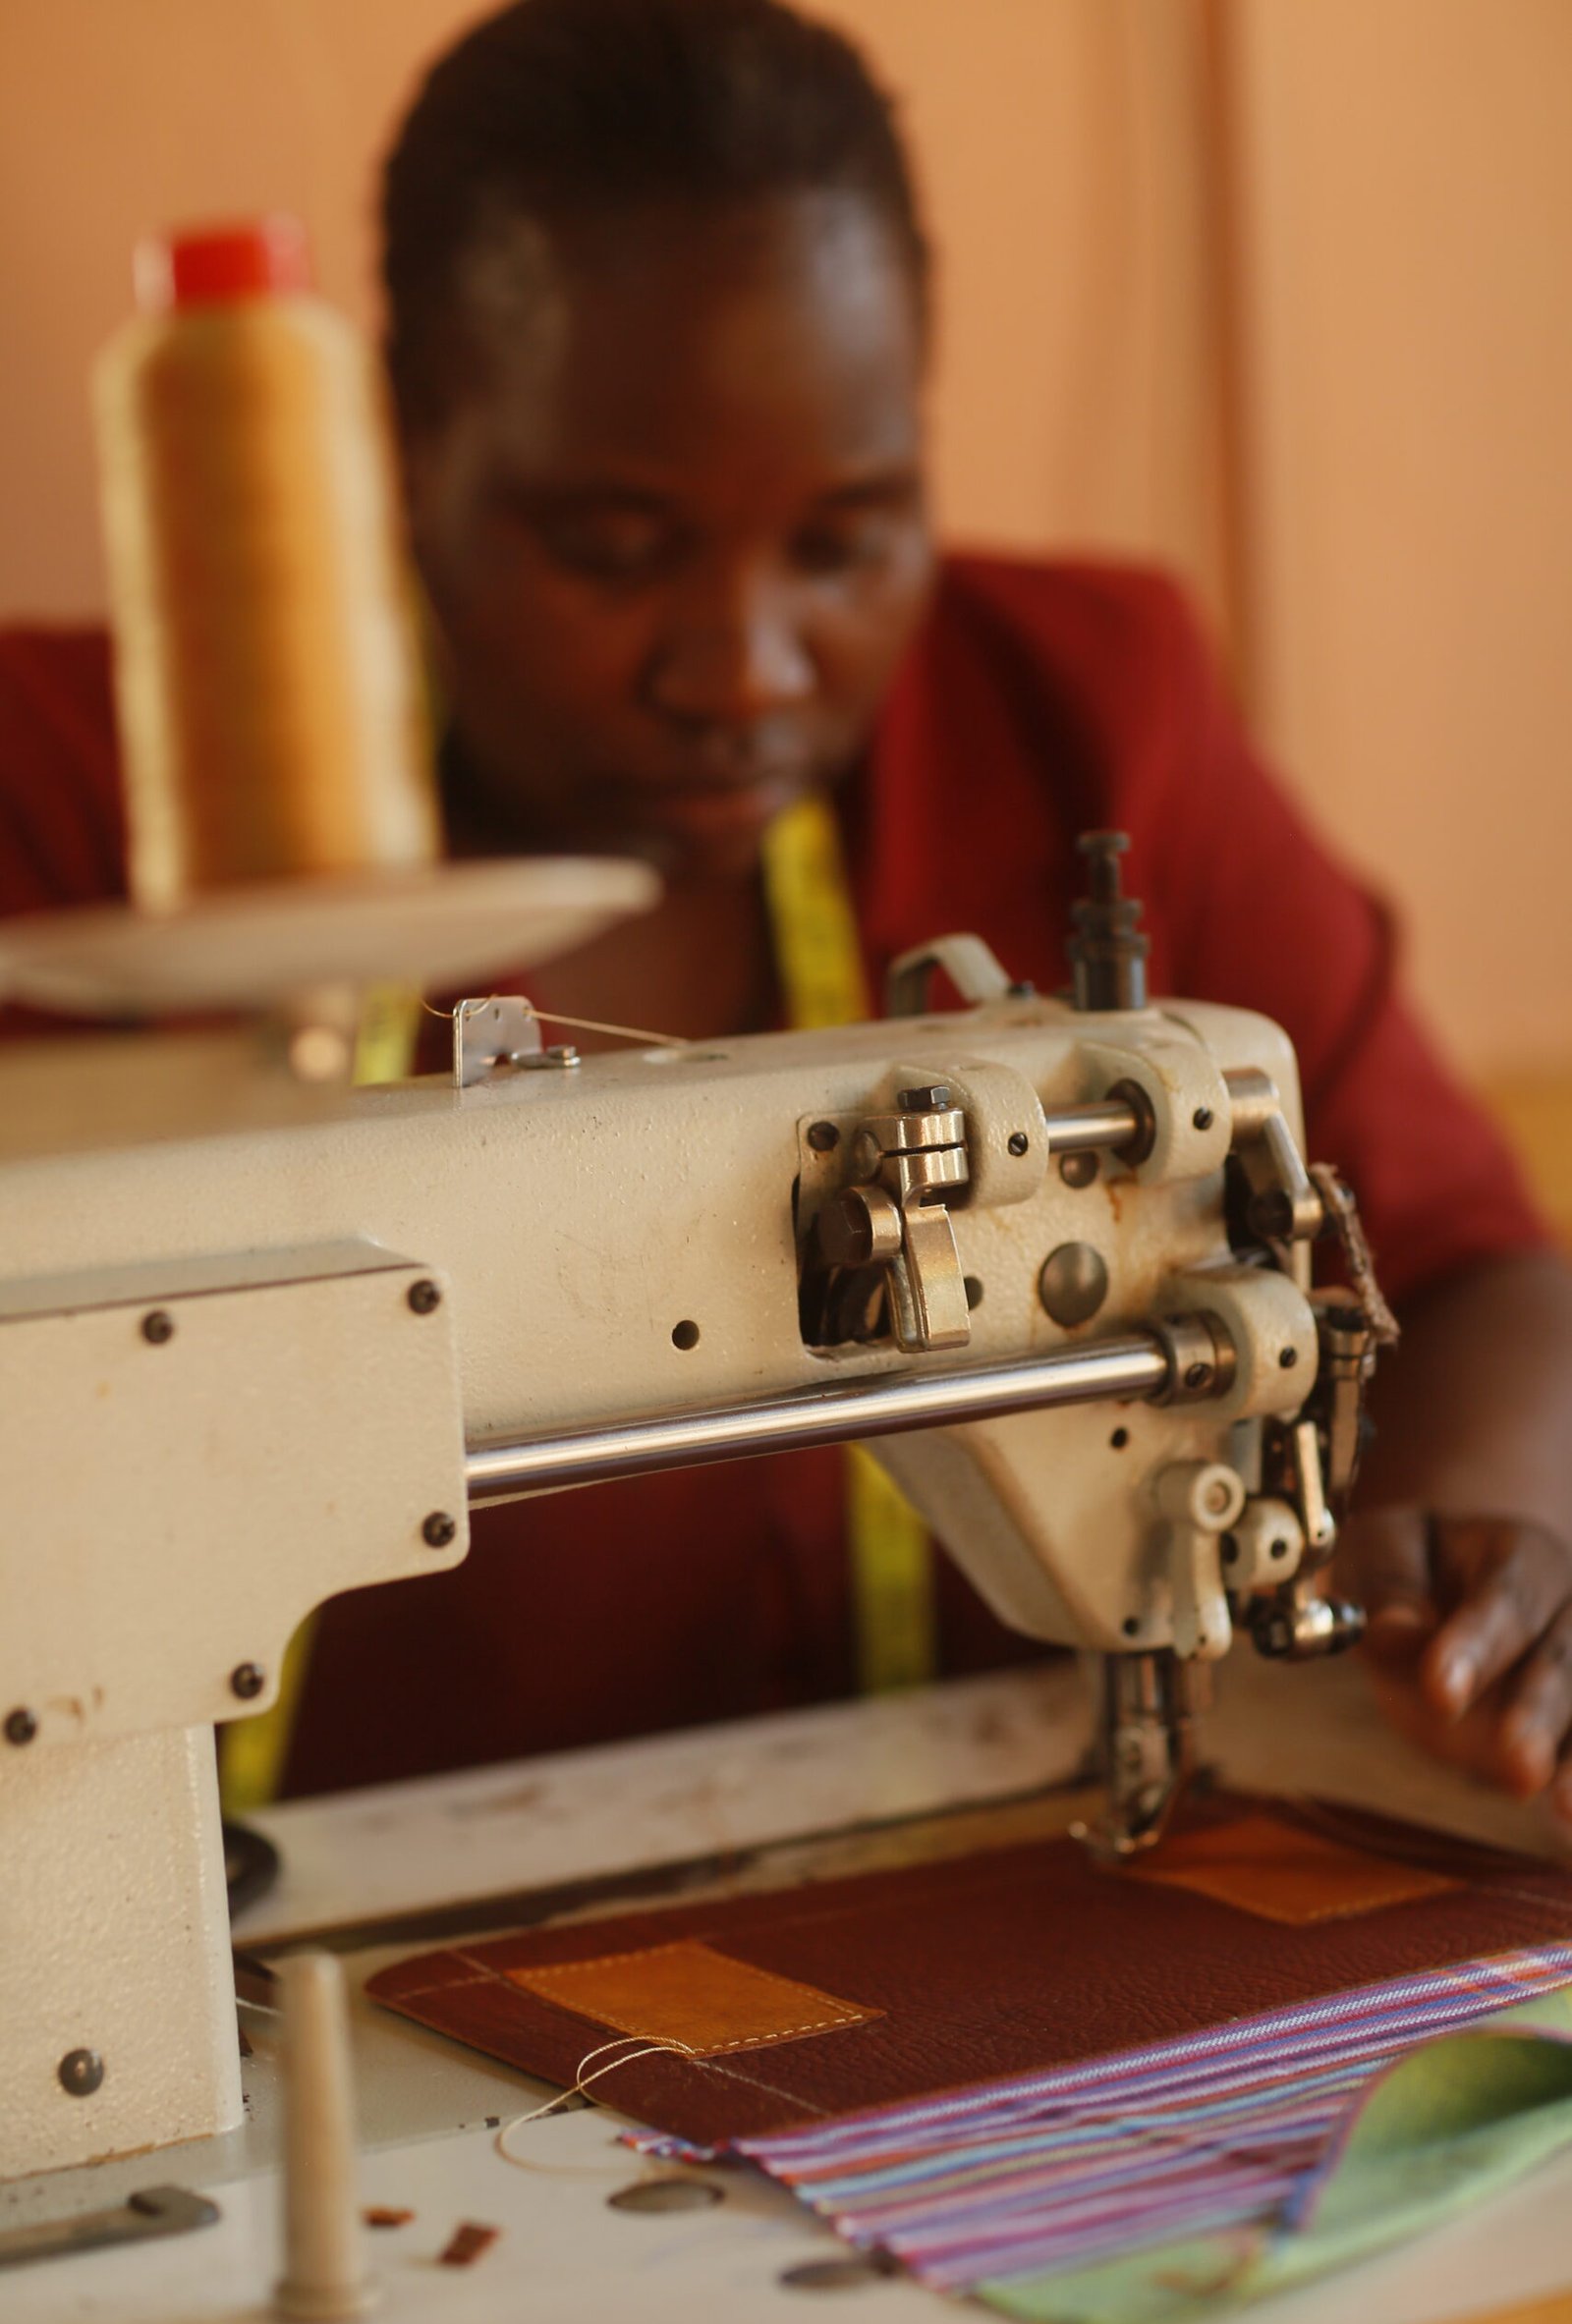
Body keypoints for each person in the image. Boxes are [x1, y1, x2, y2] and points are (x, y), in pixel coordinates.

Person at [3, 0, 1571, 1816]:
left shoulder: (1087, 714)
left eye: (843, 540)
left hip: (974, 1858)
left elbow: (1467, 1273)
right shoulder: (70, 810)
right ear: (401, 447)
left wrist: (1460, 1564)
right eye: (611, 547)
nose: (746, 670)